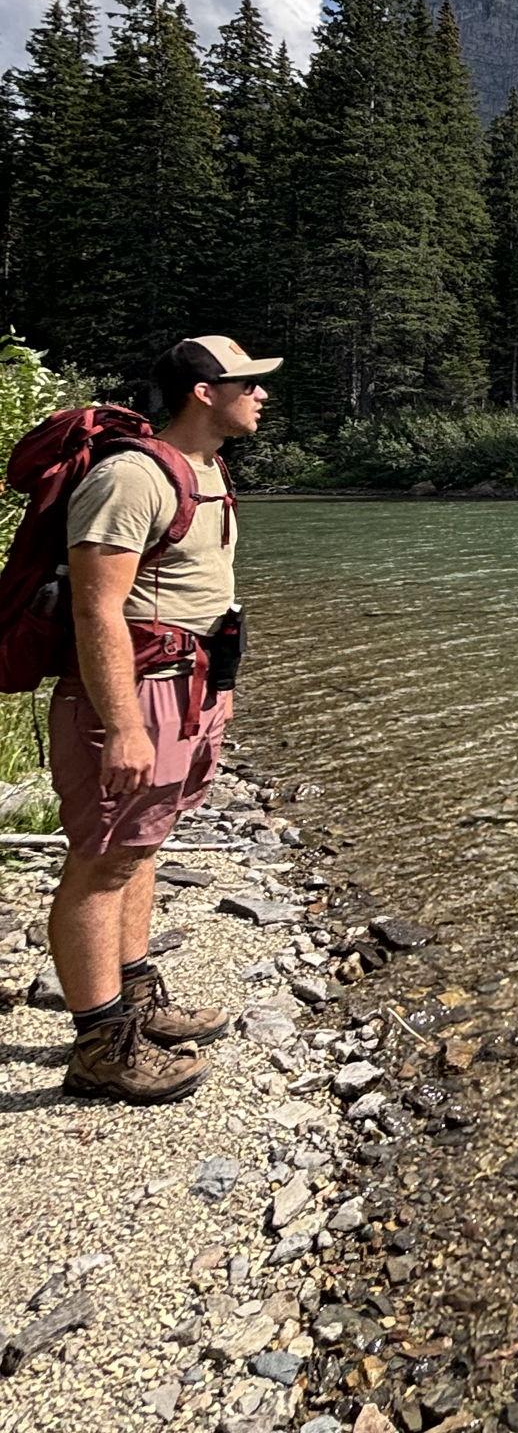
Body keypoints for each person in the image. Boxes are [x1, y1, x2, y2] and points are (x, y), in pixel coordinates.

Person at [46, 335, 278, 1103]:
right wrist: (122, 724)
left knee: (141, 848)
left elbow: (205, 597)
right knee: (102, 858)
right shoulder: (130, 476)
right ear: (203, 392)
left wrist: (222, 688)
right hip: (135, 696)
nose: (263, 395)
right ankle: (100, 1047)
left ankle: (137, 998)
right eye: (248, 382)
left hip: (191, 689)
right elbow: (95, 607)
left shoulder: (207, 469)